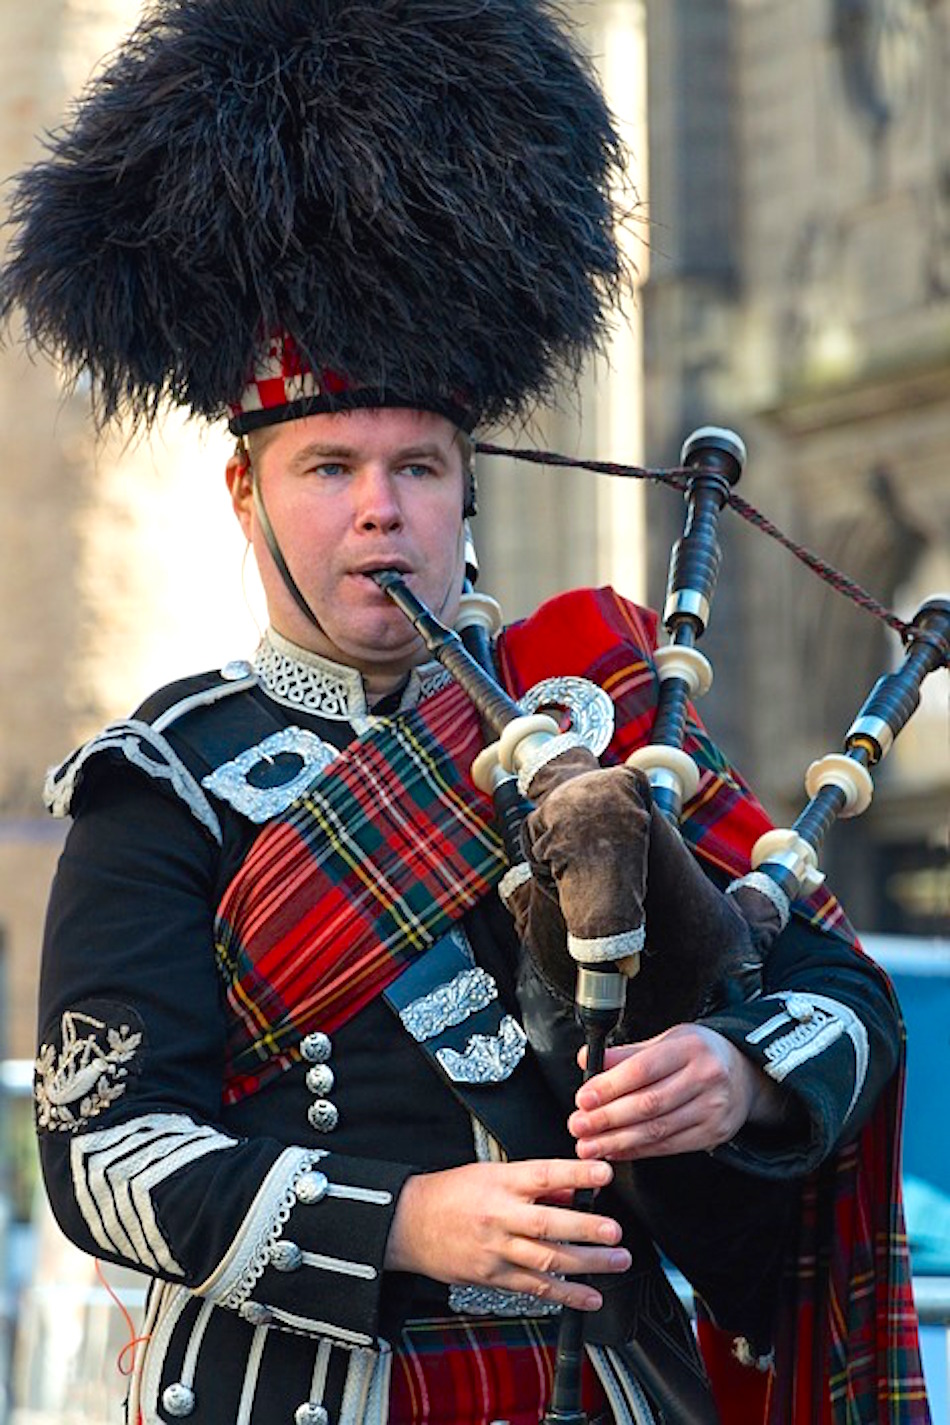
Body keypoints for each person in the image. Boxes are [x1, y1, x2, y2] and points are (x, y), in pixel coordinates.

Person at [1, 1, 928, 1422]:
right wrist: (407, 1217)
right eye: (327, 466)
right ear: (245, 494)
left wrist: (738, 1069)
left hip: (610, 1384)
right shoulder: (164, 782)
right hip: (303, 1388)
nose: (379, 506)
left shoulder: (605, 730)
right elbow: (104, 1155)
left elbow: (846, 990)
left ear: (463, 491)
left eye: (418, 465)